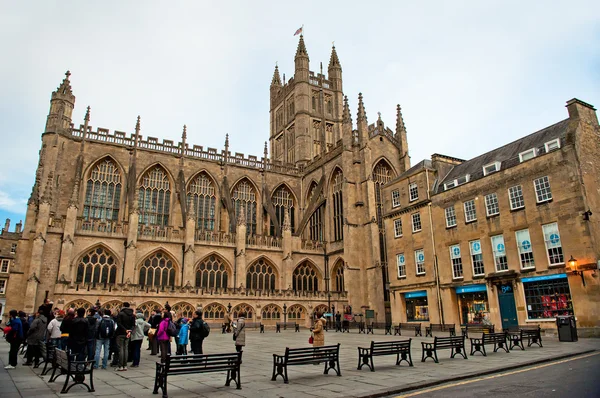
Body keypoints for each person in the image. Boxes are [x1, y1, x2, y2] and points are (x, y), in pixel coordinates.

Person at [115, 302, 135, 371]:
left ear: (123, 306)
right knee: (126, 349)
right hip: (128, 334)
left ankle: (120, 366)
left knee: (121, 349)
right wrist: (129, 331)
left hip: (120, 333)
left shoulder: (121, 314)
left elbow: (119, 324)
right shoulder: (132, 315)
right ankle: (125, 365)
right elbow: (133, 325)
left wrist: (125, 330)